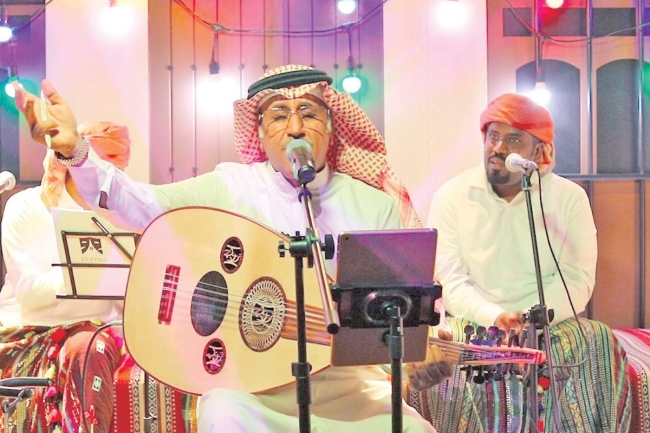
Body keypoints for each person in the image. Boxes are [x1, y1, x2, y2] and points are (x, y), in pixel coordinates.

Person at [14, 65, 453, 432]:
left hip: (351, 388)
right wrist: (77, 152)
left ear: (332, 125)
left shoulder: (374, 206)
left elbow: (402, 312)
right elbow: (142, 205)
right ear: (259, 132)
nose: (295, 127)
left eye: (308, 113)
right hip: (252, 389)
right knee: (223, 413)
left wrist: (420, 353)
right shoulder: (233, 186)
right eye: (278, 115)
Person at [422, 93, 631, 432]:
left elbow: (577, 279)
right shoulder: (451, 196)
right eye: (493, 136)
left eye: (514, 139)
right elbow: (451, 279)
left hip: (550, 322)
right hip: (475, 321)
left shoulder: (569, 198)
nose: (499, 147)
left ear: (538, 151)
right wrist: (496, 318)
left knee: (599, 340)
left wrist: (529, 320)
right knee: (436, 352)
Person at [0, 122, 130, 433]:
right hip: (25, 328)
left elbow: (125, 304)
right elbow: (30, 296)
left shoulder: (113, 218)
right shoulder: (23, 207)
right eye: (55, 154)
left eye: (69, 158)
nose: (57, 164)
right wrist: (84, 271)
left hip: (89, 332)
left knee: (89, 347)